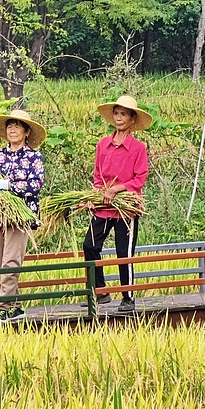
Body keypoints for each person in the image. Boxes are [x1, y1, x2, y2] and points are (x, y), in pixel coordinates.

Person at [81, 95, 151, 314]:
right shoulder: (103, 144)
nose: (119, 118)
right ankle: (99, 291)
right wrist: (96, 195)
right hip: (104, 204)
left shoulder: (138, 148)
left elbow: (139, 178)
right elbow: (97, 175)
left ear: (132, 120)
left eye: (124, 114)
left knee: (124, 252)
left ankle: (127, 296)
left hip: (126, 206)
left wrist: (115, 189)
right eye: (116, 114)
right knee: (90, 245)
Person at [0, 110, 46, 323]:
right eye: (10, 126)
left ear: (26, 131)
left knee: (11, 262)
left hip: (20, 216)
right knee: (1, 263)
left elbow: (36, 185)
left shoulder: (33, 157)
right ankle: (16, 308)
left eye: (18, 126)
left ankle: (3, 307)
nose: (13, 129)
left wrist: (9, 186)